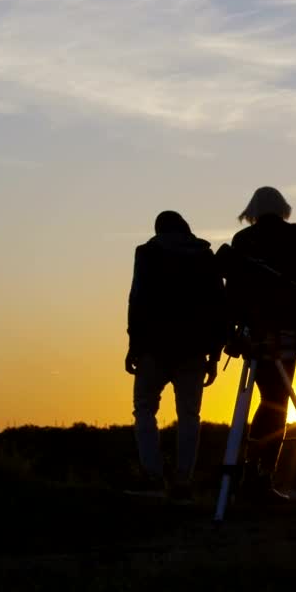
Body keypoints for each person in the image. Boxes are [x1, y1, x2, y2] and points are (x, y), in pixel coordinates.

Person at [219, 186, 296, 504]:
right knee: (277, 399)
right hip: (290, 332)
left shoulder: (244, 242)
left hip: (257, 334)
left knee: (270, 398)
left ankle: (253, 474)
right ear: (283, 209)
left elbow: (233, 290)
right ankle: (260, 473)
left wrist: (235, 331)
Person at [124, 210, 228, 503]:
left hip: (153, 346)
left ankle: (153, 476)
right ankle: (184, 478)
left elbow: (137, 298)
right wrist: (215, 355)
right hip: (193, 348)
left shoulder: (147, 253)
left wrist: (134, 343)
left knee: (144, 409)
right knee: (189, 415)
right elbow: (218, 306)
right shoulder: (204, 255)